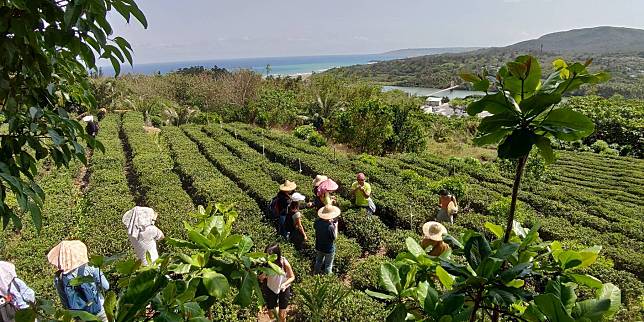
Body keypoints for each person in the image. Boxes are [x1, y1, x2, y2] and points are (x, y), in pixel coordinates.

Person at [48, 240, 109, 322]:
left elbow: (65, 303)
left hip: (81, 317)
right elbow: (106, 286)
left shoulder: (59, 278)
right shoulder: (90, 267)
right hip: (99, 309)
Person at [259, 244, 295, 322]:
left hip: (284, 288)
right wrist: (262, 276)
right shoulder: (265, 264)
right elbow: (260, 279)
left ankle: (281, 313)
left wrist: (284, 284)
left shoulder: (284, 263)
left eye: (270, 255)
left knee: (281, 316)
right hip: (271, 288)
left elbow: (292, 277)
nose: (268, 257)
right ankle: (277, 309)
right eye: (267, 254)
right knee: (271, 314)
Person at [314, 205, 340, 275]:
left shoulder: (317, 222)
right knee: (328, 265)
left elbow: (319, 226)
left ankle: (315, 274)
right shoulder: (330, 227)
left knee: (318, 261)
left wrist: (329, 222)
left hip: (319, 246)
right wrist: (336, 226)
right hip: (328, 249)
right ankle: (328, 280)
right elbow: (335, 238)